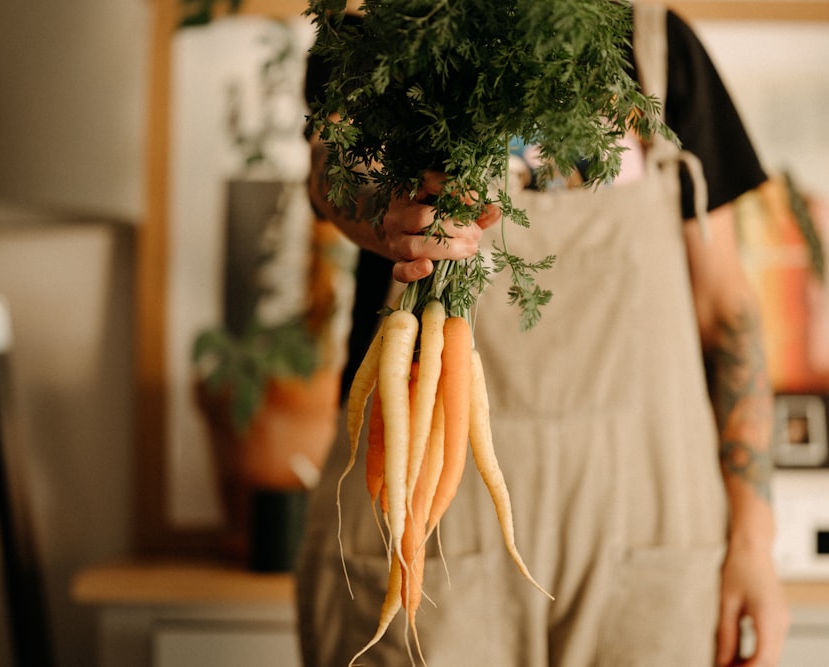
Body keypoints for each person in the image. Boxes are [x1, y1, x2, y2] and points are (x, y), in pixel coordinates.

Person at [296, 3, 790, 666]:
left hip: (649, 529)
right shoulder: (386, 31)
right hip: (432, 524)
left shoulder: (658, 48)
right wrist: (387, 210)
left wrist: (756, 543)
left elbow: (727, 307)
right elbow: (333, 172)